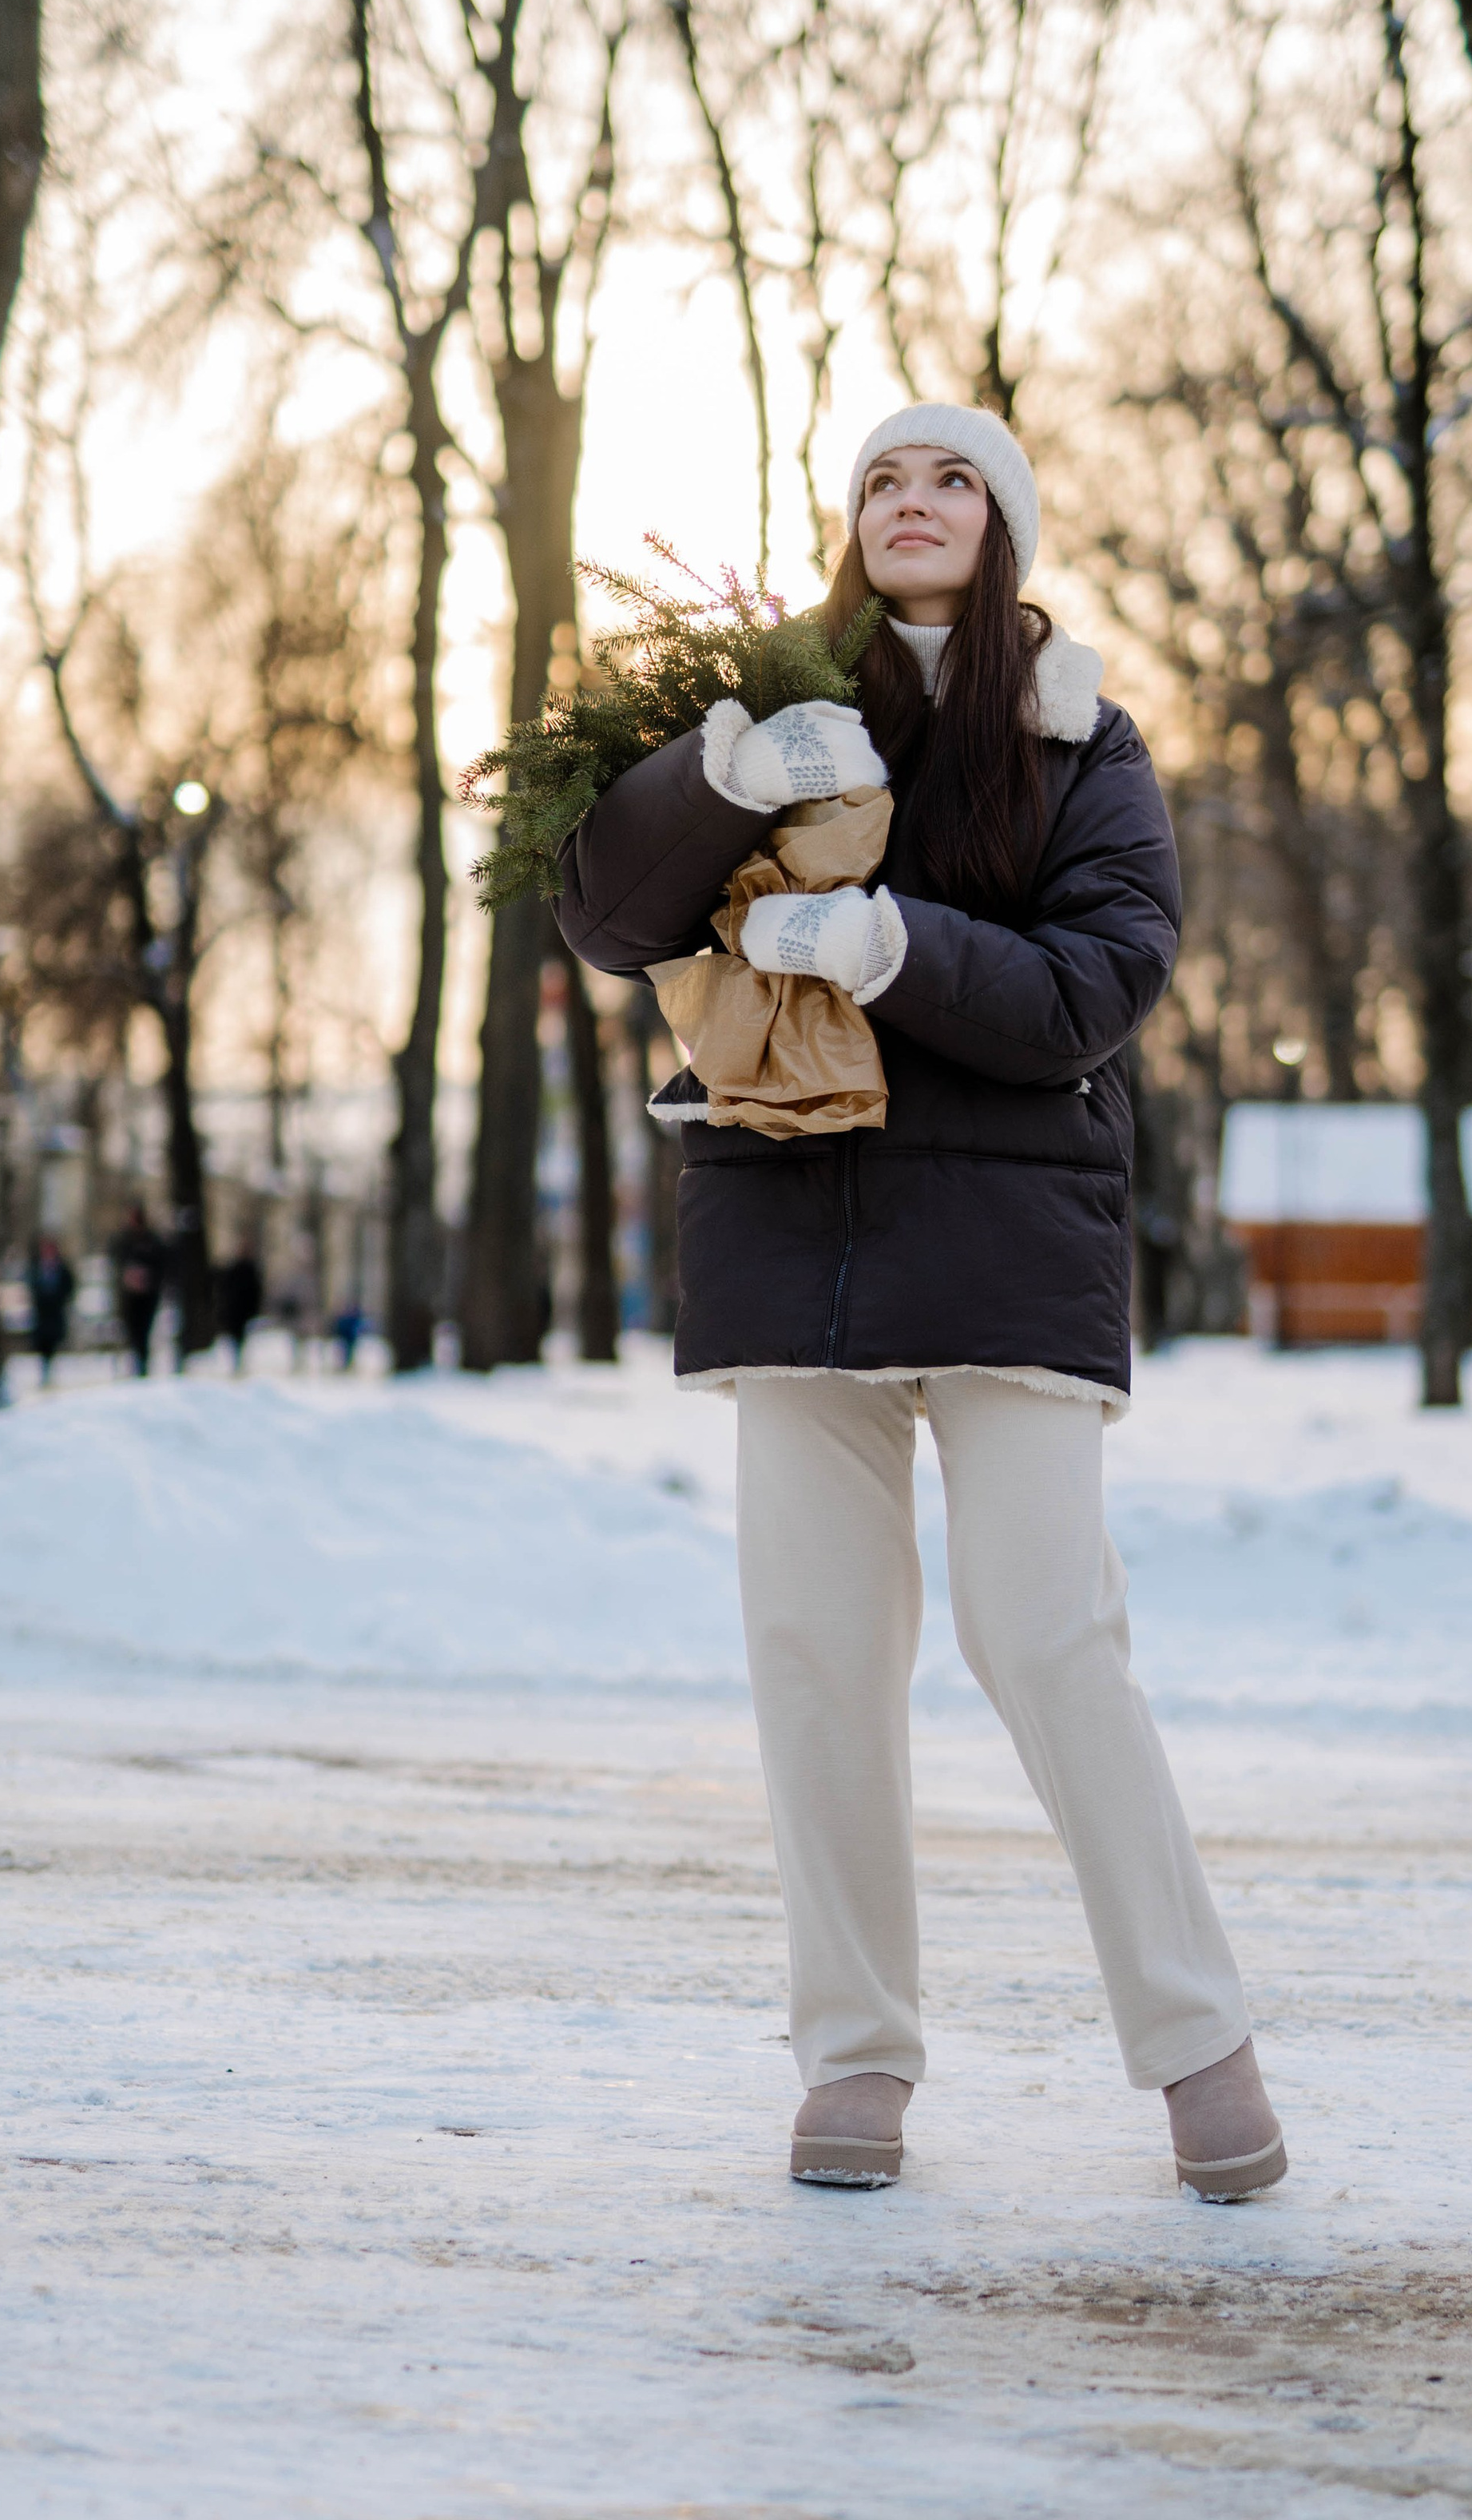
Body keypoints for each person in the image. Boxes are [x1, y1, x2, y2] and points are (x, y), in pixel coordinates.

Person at [557, 403, 1287, 2203]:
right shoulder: (766, 708)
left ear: (1003, 522)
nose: (913, 497)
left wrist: (889, 945)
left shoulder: (1079, 739)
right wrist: (715, 781)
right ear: (849, 522)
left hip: (1014, 1245)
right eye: (883, 476)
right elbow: (601, 913)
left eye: (950, 475)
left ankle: (1196, 2040)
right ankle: (853, 2058)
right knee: (813, 1656)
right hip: (787, 1230)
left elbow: (1096, 984)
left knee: (1044, 1637)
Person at [112, 1202, 165, 1379]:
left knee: (144, 1331)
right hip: (129, 1297)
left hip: (148, 1297)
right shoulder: (124, 1241)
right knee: (131, 1331)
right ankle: (134, 1362)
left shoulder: (152, 1241)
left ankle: (142, 1364)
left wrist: (147, 1279)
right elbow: (117, 1262)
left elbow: (161, 1266)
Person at [26, 1233, 75, 1385]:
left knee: (53, 1341)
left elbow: (69, 1285)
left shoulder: (61, 1267)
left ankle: (49, 1369)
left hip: (55, 1312)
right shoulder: (36, 1267)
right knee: (42, 1343)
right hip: (41, 1313)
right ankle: (44, 1370)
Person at [213, 1249, 263, 1375]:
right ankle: (237, 1360)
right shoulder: (235, 1270)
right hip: (237, 1311)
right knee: (237, 1338)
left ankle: (238, 1361)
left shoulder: (248, 1271)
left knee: (240, 1337)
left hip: (242, 1310)